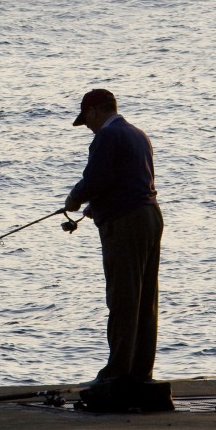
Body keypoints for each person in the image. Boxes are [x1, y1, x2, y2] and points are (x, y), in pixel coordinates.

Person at [65, 88, 163, 387]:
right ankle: (140, 373)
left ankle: (117, 374)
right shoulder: (138, 134)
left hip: (126, 222)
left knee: (123, 297)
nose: (88, 127)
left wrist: (74, 199)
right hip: (150, 216)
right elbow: (126, 179)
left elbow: (96, 179)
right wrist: (96, 207)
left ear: (94, 111)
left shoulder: (107, 136)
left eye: (87, 120)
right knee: (145, 299)